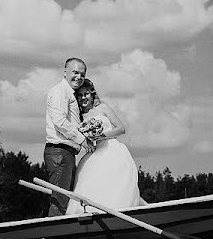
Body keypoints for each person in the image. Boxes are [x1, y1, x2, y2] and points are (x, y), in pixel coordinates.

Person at [65, 79, 142, 215]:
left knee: (113, 183)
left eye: (86, 93)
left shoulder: (102, 108)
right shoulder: (79, 117)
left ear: (92, 93)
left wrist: (101, 136)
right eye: (80, 95)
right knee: (92, 183)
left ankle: (115, 211)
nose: (83, 97)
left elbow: (121, 129)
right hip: (93, 153)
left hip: (111, 149)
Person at [45, 57, 95, 216]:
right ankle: (52, 237)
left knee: (65, 197)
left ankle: (57, 236)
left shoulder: (71, 94)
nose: (79, 77)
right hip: (59, 152)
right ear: (65, 71)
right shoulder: (60, 91)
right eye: (75, 72)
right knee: (60, 199)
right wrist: (82, 140)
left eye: (82, 74)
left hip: (66, 152)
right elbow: (59, 121)